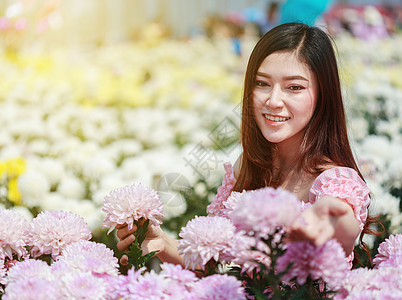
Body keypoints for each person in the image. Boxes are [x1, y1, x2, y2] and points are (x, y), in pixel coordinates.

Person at [116, 22, 376, 268]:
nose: (273, 100)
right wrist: (163, 244)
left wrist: (333, 218)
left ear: (323, 95)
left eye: (294, 87)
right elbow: (217, 269)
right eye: (262, 83)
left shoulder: (334, 182)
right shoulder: (248, 167)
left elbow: (342, 223)